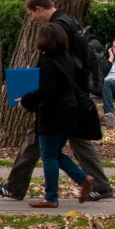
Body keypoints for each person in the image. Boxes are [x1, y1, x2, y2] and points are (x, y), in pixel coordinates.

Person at [0, 0, 113, 201]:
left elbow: (55, 65)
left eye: (31, 14)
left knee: (38, 141)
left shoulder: (58, 27)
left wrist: (37, 82)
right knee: (74, 142)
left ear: (39, 9)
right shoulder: (70, 20)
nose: (32, 20)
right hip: (73, 96)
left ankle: (20, 188)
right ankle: (98, 185)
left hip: (58, 102)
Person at [18, 22, 95, 208]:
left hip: (53, 114)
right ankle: (82, 179)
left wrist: (26, 100)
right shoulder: (66, 57)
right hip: (70, 111)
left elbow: (47, 91)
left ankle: (51, 197)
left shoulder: (48, 61)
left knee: (49, 156)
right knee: (54, 153)